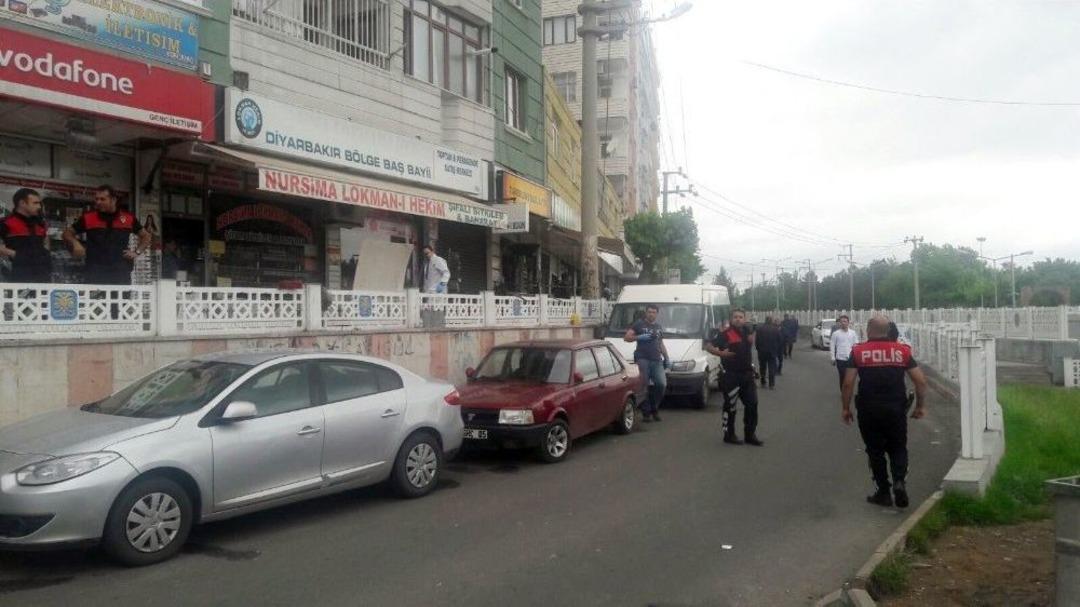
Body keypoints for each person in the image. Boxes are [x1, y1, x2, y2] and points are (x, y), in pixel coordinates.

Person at [841, 316, 929, 508]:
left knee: (875, 450)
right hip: (895, 409)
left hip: (868, 409)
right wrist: (920, 406)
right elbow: (920, 381)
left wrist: (846, 408)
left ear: (868, 330)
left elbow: (848, 383)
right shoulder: (902, 351)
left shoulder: (858, 351)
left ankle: (883, 492)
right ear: (888, 330)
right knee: (898, 447)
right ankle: (899, 482)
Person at [62, 185, 150, 285]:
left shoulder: (127, 218)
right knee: (93, 301)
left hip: (120, 273)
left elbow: (146, 236)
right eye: (96, 199)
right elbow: (67, 233)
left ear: (113, 200)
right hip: (95, 272)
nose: (98, 202)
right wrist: (75, 243)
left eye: (102, 199)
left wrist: (136, 252)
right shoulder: (88, 218)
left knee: (120, 301)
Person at [707, 308, 763, 446]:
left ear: (744, 318)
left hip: (747, 375)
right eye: (735, 317)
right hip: (731, 375)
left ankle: (750, 435)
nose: (738, 319)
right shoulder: (725, 334)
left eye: (741, 317)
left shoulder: (747, 331)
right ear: (731, 319)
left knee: (752, 404)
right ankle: (729, 434)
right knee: (730, 406)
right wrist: (721, 354)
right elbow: (708, 346)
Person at [624, 304, 670, 422]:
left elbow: (660, 344)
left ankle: (654, 407)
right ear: (646, 312)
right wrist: (639, 337)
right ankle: (646, 412)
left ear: (657, 314)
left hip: (656, 360)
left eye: (654, 312)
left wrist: (667, 357)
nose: (651, 314)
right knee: (643, 386)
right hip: (642, 358)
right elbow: (627, 337)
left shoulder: (659, 327)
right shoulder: (639, 324)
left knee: (661, 384)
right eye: (649, 312)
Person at [0, 188, 52, 283]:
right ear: (22, 203)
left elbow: (45, 242)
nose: (39, 206)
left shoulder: (40, 223)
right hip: (19, 276)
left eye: (39, 203)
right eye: (35, 203)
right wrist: (13, 254)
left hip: (44, 275)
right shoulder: (6, 222)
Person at [830, 315, 859, 388]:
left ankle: (848, 391)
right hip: (840, 359)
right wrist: (833, 357)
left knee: (850, 377)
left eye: (845, 321)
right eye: (841, 321)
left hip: (851, 358)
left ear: (848, 323)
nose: (843, 323)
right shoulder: (835, 334)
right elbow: (832, 346)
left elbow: (856, 345)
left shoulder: (853, 333)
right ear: (839, 323)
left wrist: (857, 357)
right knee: (842, 375)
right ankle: (843, 391)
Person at [755, 315, 781, 389]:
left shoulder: (759, 329)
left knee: (762, 367)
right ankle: (771, 384)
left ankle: (763, 382)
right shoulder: (775, 329)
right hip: (772, 351)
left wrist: (758, 349)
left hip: (762, 352)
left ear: (765, 320)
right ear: (771, 321)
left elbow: (757, 341)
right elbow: (779, 340)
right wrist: (776, 349)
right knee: (772, 367)